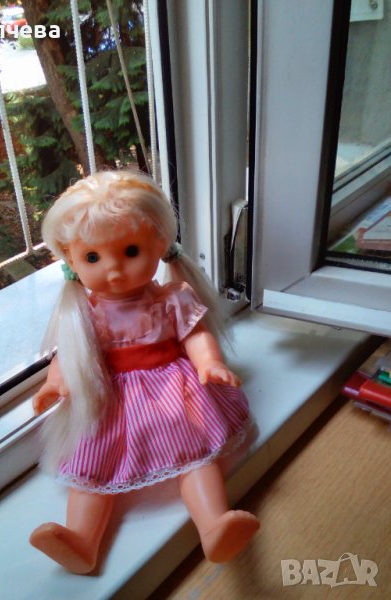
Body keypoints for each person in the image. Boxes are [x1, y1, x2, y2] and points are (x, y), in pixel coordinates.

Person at [30, 170, 260, 574]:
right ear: (70, 258)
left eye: (131, 251)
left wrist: (210, 363)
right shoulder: (86, 313)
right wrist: (56, 382)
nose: (114, 269)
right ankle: (81, 540)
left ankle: (213, 525)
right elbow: (71, 353)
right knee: (93, 467)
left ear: (159, 244)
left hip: (174, 386)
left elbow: (196, 335)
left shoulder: (172, 298)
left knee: (193, 455)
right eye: (93, 257)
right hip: (111, 397)